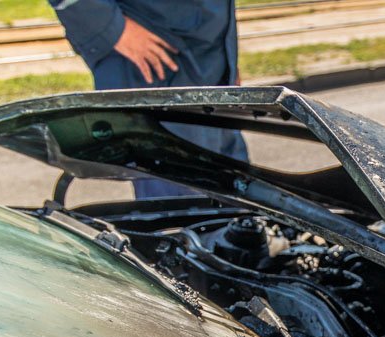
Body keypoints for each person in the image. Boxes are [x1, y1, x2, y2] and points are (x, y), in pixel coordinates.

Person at [49, 0, 248, 197]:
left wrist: (228, 57)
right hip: (153, 61)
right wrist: (110, 27)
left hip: (212, 65)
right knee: (181, 209)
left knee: (239, 200)